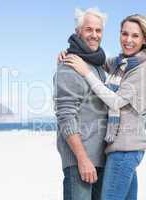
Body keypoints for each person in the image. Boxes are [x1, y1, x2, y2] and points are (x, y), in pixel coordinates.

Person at [61, 14, 146, 200]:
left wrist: (85, 72)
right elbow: (97, 58)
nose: (128, 40)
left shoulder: (143, 68)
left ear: (145, 40)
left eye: (135, 36)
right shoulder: (122, 64)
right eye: (124, 34)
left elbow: (116, 102)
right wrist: (70, 52)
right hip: (122, 149)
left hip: (125, 150)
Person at [53, 8, 109, 200]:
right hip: (80, 163)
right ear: (78, 32)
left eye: (98, 30)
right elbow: (66, 117)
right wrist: (82, 159)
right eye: (88, 29)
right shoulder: (70, 65)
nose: (94, 35)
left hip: (100, 159)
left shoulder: (98, 65)